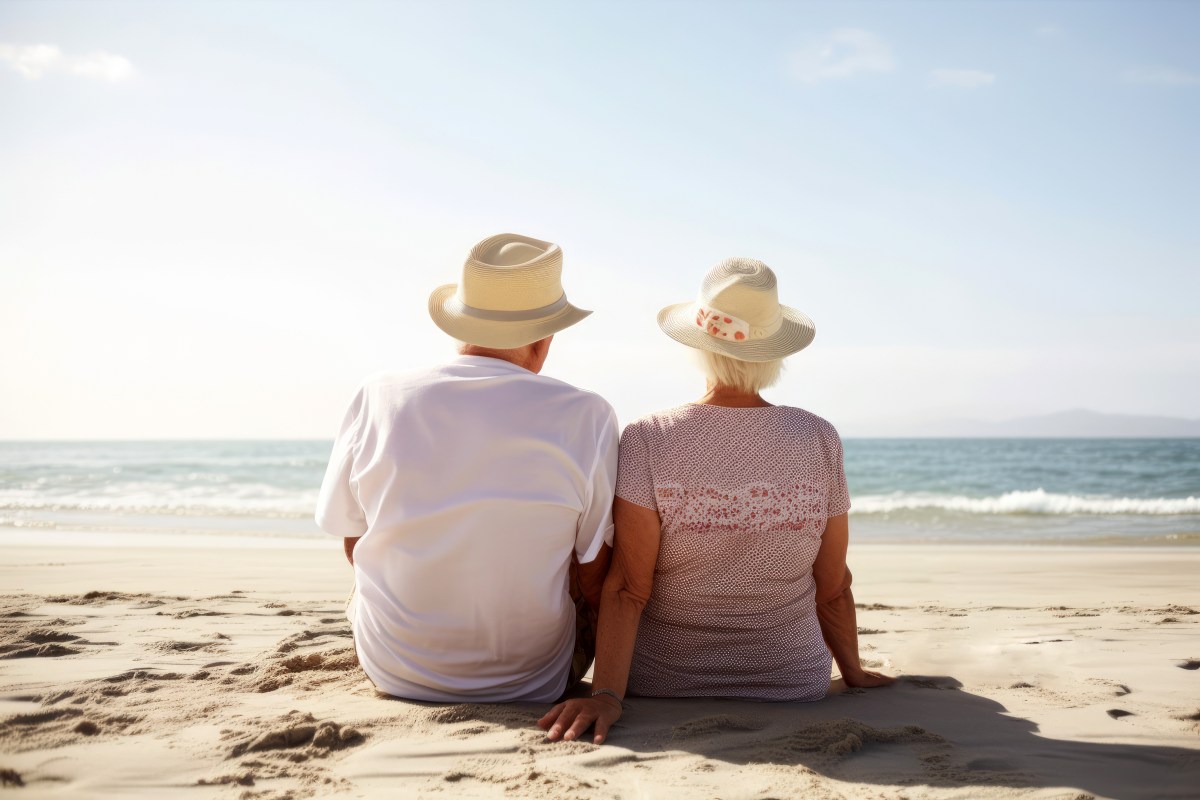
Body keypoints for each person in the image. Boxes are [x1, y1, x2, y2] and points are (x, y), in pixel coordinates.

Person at [539, 257, 893, 744]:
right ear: (773, 354)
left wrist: (607, 696)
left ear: (698, 348)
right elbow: (832, 584)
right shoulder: (818, 437)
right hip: (791, 682)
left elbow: (627, 589)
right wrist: (852, 670)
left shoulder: (650, 437)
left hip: (660, 682)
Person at [315, 233, 618, 703]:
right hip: (535, 680)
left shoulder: (379, 395)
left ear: (460, 324)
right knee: (586, 550)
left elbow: (353, 543)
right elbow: (595, 571)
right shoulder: (587, 414)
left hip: (395, 669)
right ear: (542, 339)